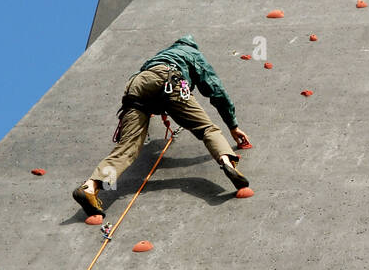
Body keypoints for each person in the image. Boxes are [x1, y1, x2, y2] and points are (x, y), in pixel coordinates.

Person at [72, 34, 252, 216]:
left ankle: (90, 187)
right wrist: (232, 125)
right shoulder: (192, 54)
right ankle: (227, 161)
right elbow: (216, 90)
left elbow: (150, 86)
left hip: (136, 85)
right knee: (207, 128)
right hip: (171, 79)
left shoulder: (157, 57)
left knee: (127, 148)